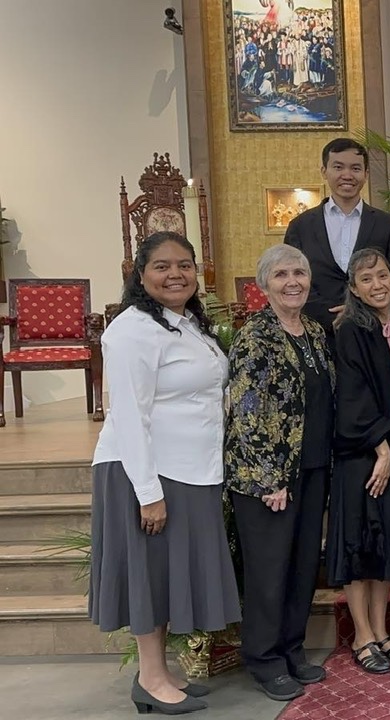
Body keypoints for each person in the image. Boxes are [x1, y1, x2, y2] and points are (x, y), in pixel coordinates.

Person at [89, 232, 240, 716]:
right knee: (150, 575)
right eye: (162, 266)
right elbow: (130, 416)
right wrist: (148, 492)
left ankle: (160, 672)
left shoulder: (186, 323)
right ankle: (150, 679)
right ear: (141, 274)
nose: (175, 274)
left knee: (168, 575)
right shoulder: (132, 330)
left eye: (184, 265)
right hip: (147, 471)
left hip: (190, 470)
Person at [225, 244, 334, 701]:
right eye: (282, 274)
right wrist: (270, 478)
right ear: (264, 285)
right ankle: (264, 658)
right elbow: (246, 412)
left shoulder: (314, 331)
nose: (293, 282)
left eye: (299, 273)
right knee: (269, 572)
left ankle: (291, 649)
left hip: (312, 469)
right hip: (268, 479)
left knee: (303, 566)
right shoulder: (255, 336)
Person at [328, 248, 390, 675]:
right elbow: (353, 393)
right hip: (364, 457)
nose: (377, 285)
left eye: (382, 275)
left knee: (385, 548)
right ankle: (362, 636)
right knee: (361, 548)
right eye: (366, 279)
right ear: (353, 288)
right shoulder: (351, 330)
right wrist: (380, 449)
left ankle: (382, 632)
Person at [284, 138, 390, 332]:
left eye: (355, 168)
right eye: (338, 167)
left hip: (374, 330)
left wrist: (362, 310)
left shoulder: (388, 225)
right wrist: (328, 315)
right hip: (316, 330)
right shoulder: (300, 226)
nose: (347, 175)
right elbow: (291, 277)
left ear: (366, 174)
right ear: (324, 171)